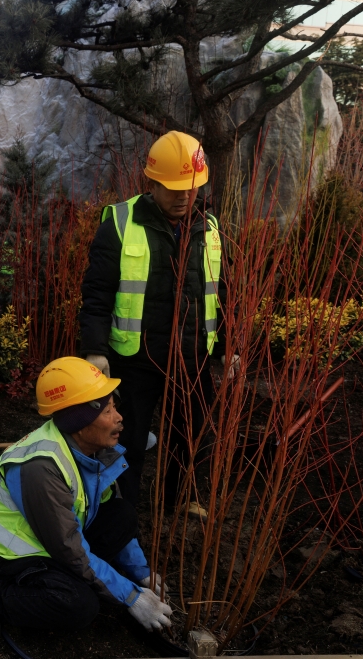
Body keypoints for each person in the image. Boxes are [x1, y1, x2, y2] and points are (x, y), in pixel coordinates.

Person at [78, 130, 234, 514]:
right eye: (174, 188)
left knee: (193, 435)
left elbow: (221, 293)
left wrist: (230, 349)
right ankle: (120, 510)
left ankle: (179, 499)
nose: (184, 197)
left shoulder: (209, 228)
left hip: (193, 356)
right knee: (126, 438)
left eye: (191, 188)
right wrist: (96, 350)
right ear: (153, 182)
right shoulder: (119, 222)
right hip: (137, 359)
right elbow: (97, 294)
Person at [0, 357, 171, 643]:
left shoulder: (92, 450)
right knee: (79, 605)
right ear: (80, 422)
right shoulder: (40, 468)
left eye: (114, 407)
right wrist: (132, 597)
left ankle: (81, 578)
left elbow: (102, 513)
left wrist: (141, 574)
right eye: (108, 410)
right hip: (9, 554)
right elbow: (68, 547)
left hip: (52, 537)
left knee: (122, 514)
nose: (119, 417)